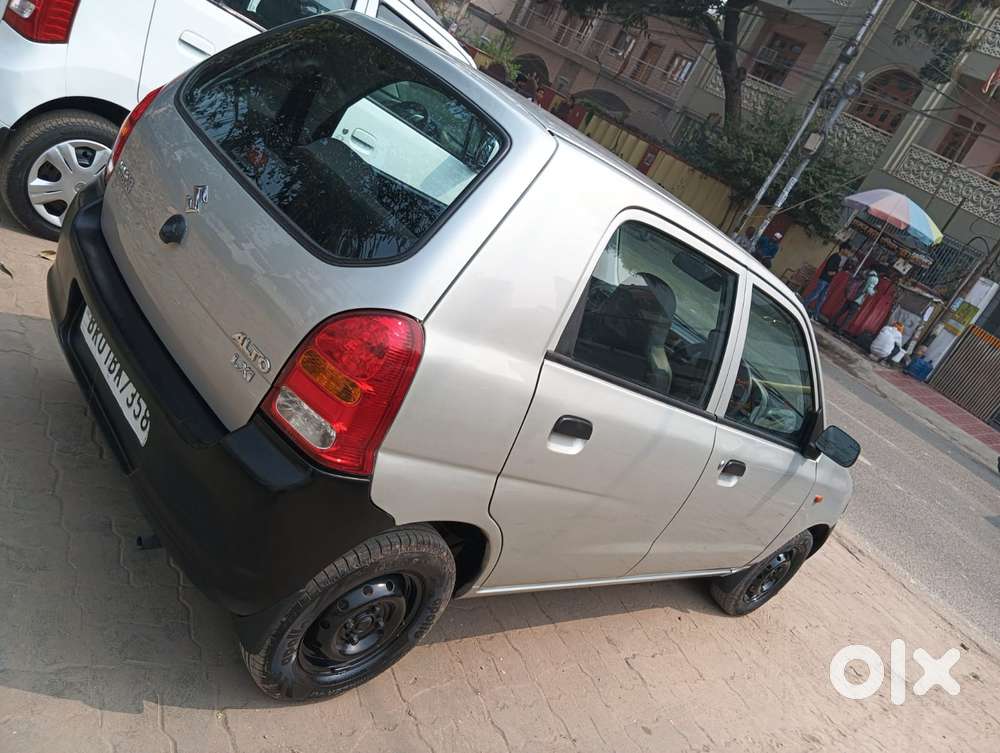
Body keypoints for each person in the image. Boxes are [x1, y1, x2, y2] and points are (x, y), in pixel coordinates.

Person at [802, 241, 849, 320]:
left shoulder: (839, 258)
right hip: (824, 279)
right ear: (843, 249)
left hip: (827, 281)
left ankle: (815, 315)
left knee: (821, 299)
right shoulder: (835, 257)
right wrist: (836, 271)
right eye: (847, 250)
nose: (848, 252)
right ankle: (802, 306)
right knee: (815, 295)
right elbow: (829, 271)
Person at [832, 267, 879, 334]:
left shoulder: (864, 273)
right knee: (849, 316)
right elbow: (869, 290)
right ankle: (840, 330)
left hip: (850, 296)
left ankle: (831, 323)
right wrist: (874, 292)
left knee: (841, 311)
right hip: (857, 300)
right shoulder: (874, 279)